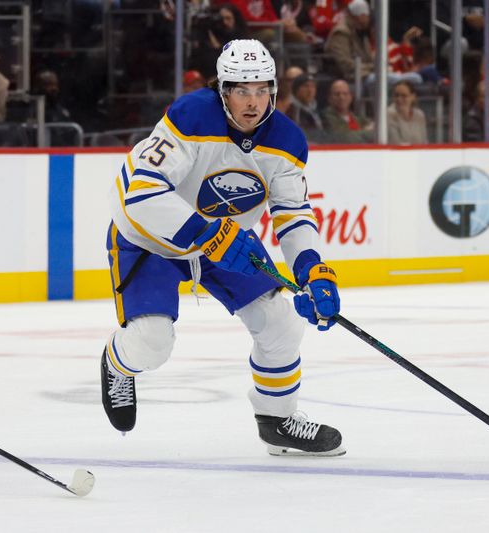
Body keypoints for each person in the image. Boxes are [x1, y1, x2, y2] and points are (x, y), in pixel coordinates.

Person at [100, 39, 345, 457]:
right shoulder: (191, 116)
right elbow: (142, 193)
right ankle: (117, 363)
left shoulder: (287, 140)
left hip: (222, 238)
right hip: (151, 237)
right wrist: (206, 235)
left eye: (261, 90)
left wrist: (312, 269)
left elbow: (292, 213)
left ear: (273, 89)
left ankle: (277, 419)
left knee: (281, 324)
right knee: (152, 342)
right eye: (240, 90)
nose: (252, 102)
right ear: (222, 89)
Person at [324, 0, 374, 80]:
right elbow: (345, 64)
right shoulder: (341, 32)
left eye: (367, 16)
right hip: (349, 76)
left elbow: (369, 58)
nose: (366, 19)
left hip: (365, 73)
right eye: (363, 15)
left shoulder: (362, 32)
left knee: (396, 78)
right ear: (354, 16)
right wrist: (372, 67)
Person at [322, 78, 374, 143]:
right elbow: (345, 137)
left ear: (350, 97)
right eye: (337, 94)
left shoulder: (356, 117)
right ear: (329, 98)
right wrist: (366, 132)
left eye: (345, 94)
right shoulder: (326, 117)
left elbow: (372, 126)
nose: (341, 97)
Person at [286, 73, 326, 142]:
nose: (310, 90)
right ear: (296, 89)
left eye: (313, 86)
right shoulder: (291, 111)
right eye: (306, 86)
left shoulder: (318, 110)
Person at [387, 80, 428, 144]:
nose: (399, 99)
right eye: (396, 95)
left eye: (404, 96)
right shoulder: (389, 114)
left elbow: (424, 142)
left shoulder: (420, 115)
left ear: (413, 97)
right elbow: (395, 143)